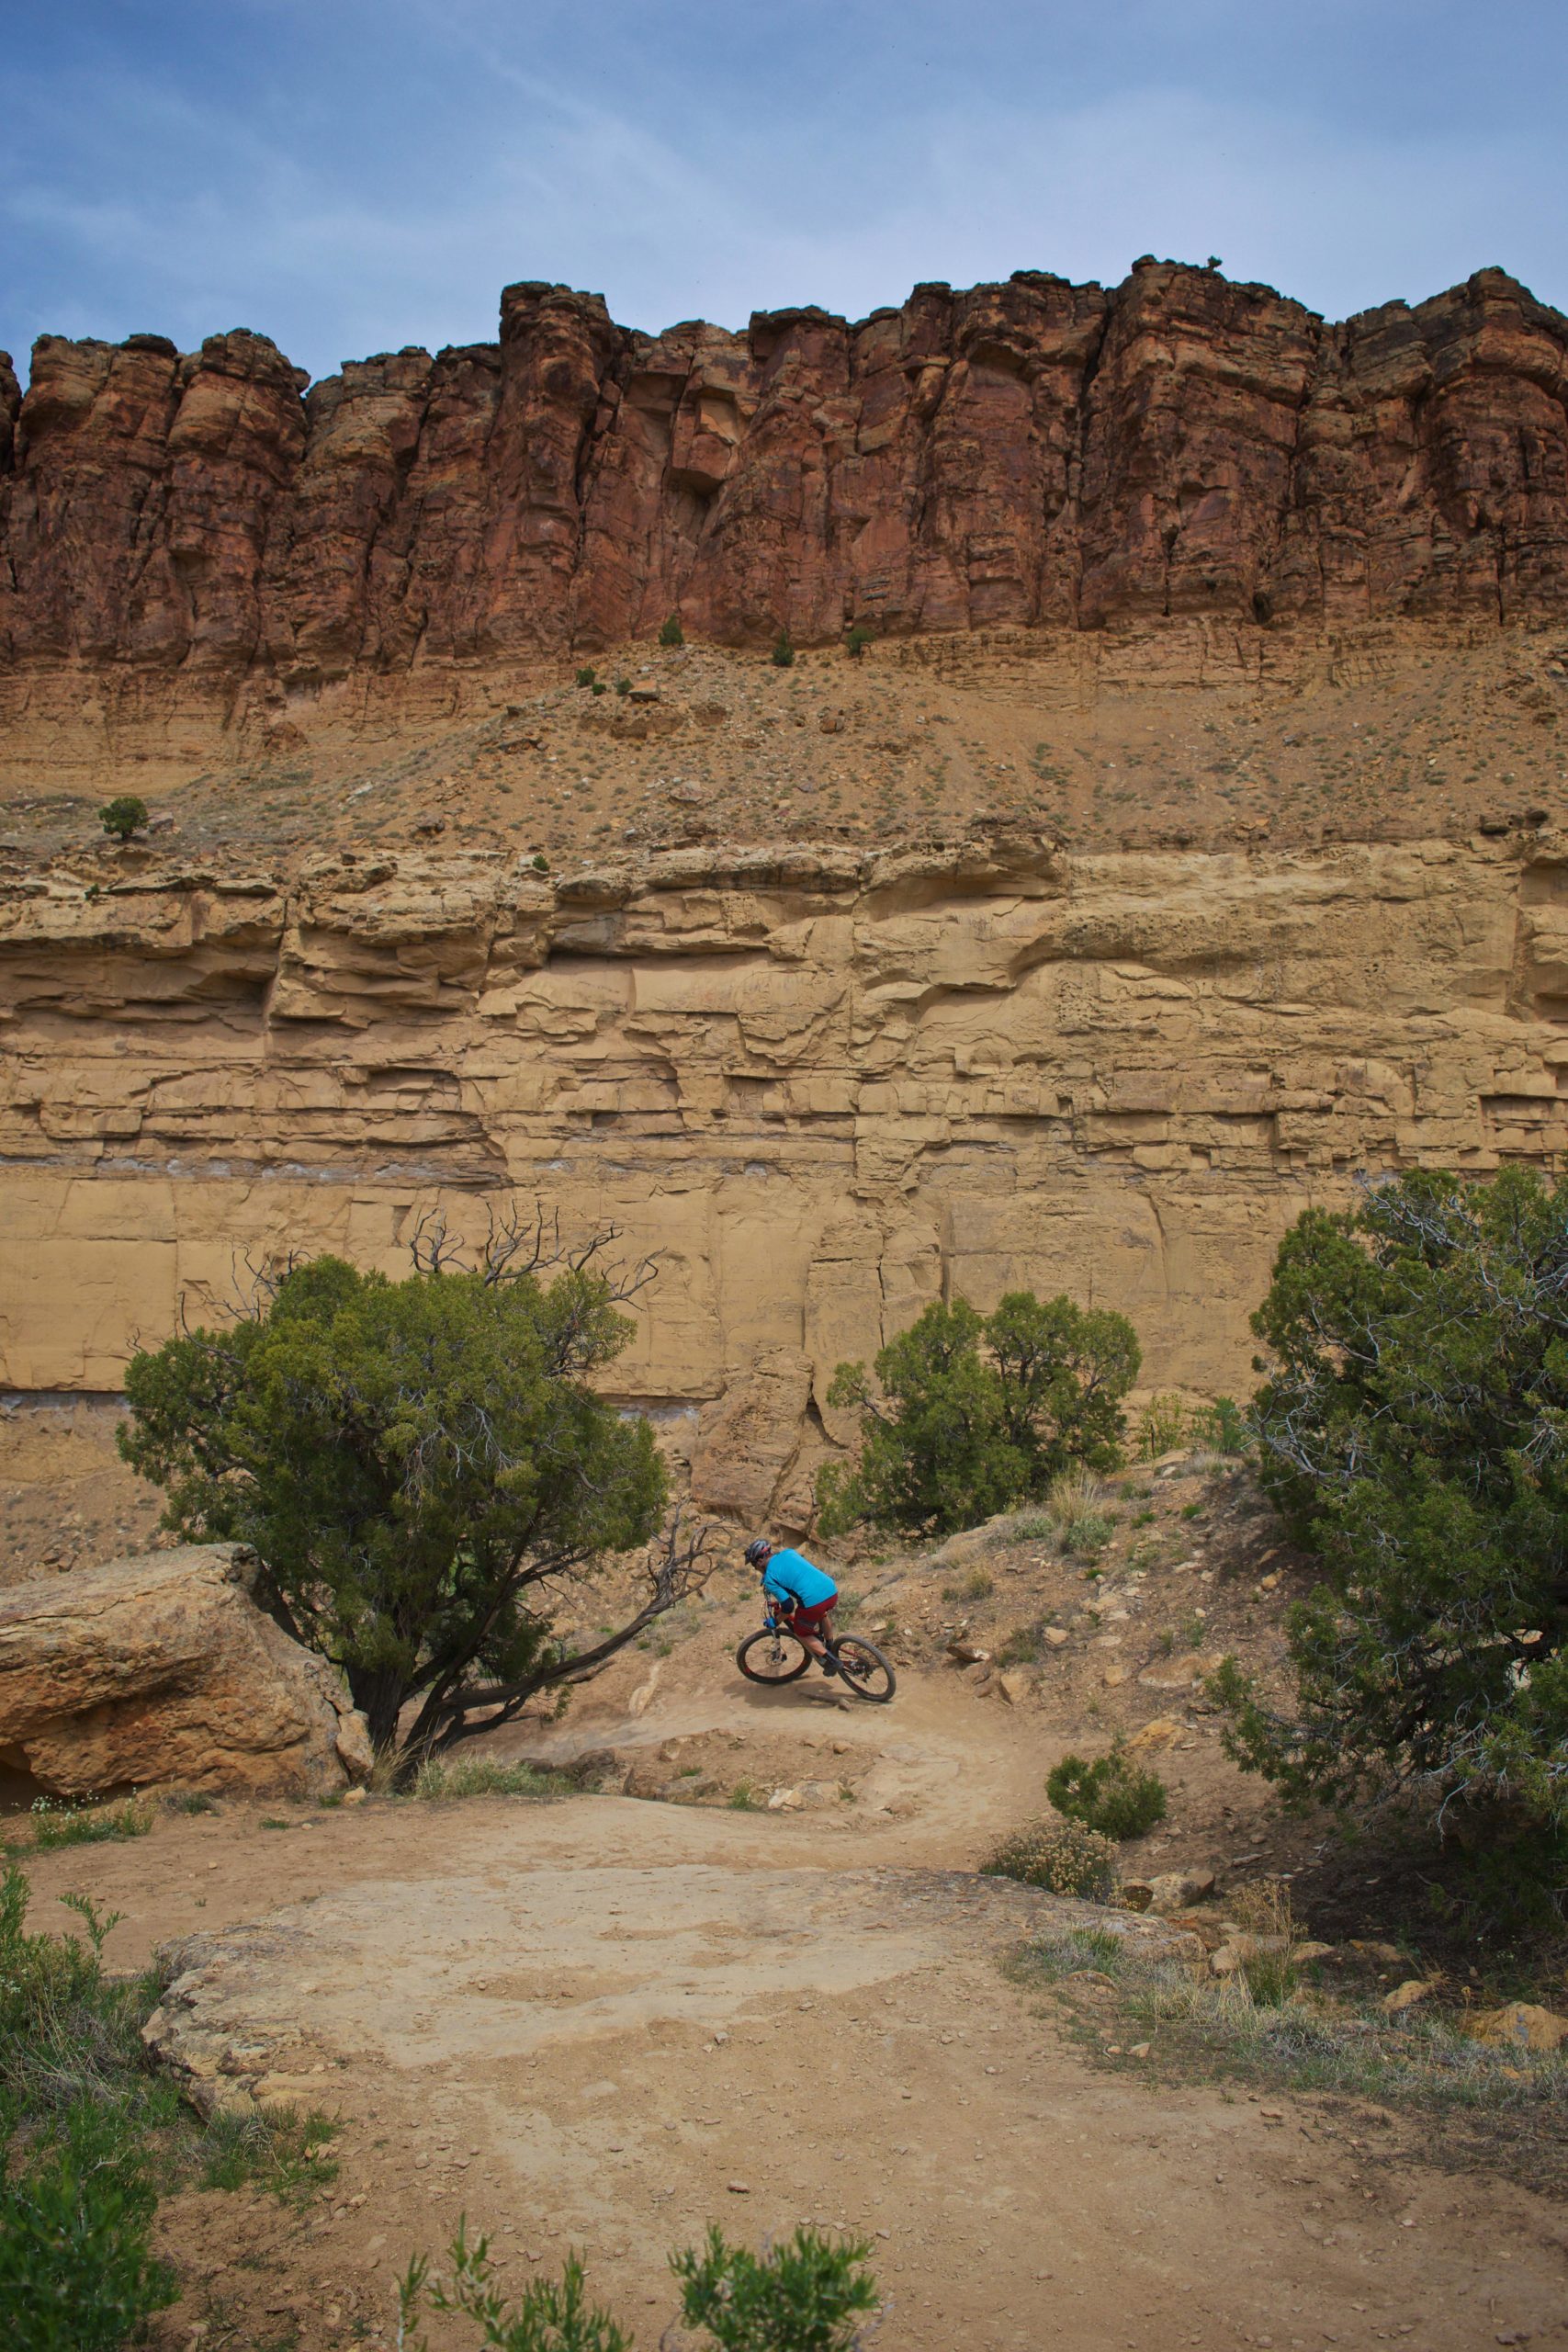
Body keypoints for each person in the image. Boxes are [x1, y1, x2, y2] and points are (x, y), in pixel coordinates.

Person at [744, 1536, 840, 1675]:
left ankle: (832, 1662)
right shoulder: (789, 1552)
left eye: (754, 1566)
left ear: (760, 1561)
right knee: (821, 1613)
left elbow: (788, 1607)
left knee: (800, 1632)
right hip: (831, 1590)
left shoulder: (770, 1578)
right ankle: (830, 1646)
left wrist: (776, 1621)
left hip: (813, 1602)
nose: (756, 1569)